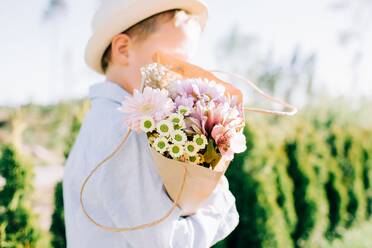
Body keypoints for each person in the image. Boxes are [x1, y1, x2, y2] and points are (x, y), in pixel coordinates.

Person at [62, 0, 239, 247]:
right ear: (123, 49)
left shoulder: (100, 122)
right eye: (172, 61)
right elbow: (165, 242)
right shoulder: (126, 130)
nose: (180, 74)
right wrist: (218, 199)